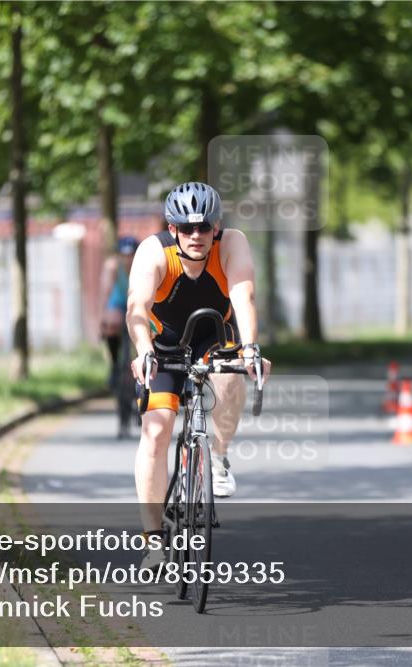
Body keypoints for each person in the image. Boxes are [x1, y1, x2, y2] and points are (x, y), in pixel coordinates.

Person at [126, 182, 271, 569]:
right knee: (155, 431)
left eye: (204, 227)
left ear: (216, 226)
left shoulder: (232, 243)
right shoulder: (154, 252)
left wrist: (252, 348)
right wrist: (143, 352)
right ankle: (153, 540)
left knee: (229, 371)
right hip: (163, 343)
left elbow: (244, 296)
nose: (196, 235)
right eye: (187, 229)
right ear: (172, 229)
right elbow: (136, 308)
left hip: (215, 334)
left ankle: (218, 456)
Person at [99, 236, 139, 386]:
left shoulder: (143, 264)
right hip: (118, 301)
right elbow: (105, 293)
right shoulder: (112, 266)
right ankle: (115, 364)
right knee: (112, 323)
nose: (127, 259)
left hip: (137, 300)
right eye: (124, 255)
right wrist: (102, 318)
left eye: (131, 255)